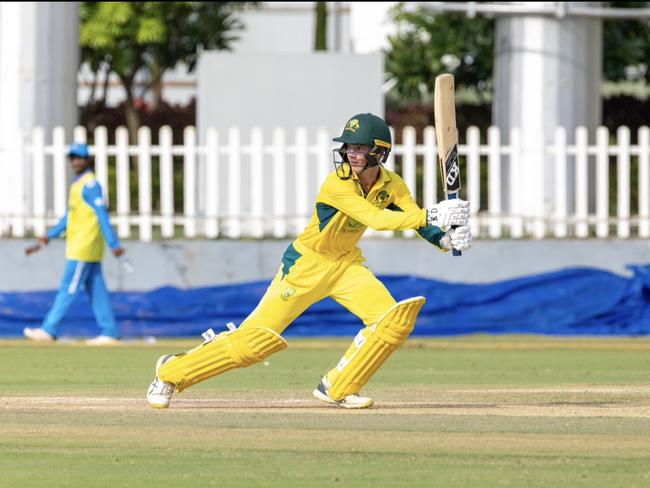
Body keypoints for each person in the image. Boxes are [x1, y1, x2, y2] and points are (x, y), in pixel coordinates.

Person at [146, 113, 472, 409]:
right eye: (348, 148)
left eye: (359, 149)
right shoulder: (336, 185)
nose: (350, 155)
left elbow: (410, 217)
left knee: (392, 321)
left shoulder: (392, 184)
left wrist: (443, 238)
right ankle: (171, 372)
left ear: (379, 152)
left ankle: (338, 387)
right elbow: (376, 218)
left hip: (345, 265)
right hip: (305, 266)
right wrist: (433, 212)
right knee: (253, 344)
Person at [23, 142, 126, 346]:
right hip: (83, 247)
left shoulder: (90, 185)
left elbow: (102, 215)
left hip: (83, 247)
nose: (76, 161)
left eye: (79, 157)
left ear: (87, 159)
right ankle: (110, 331)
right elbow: (71, 216)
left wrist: (113, 243)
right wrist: (49, 235)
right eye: (73, 158)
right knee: (96, 289)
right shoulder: (78, 184)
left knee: (67, 288)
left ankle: (49, 329)